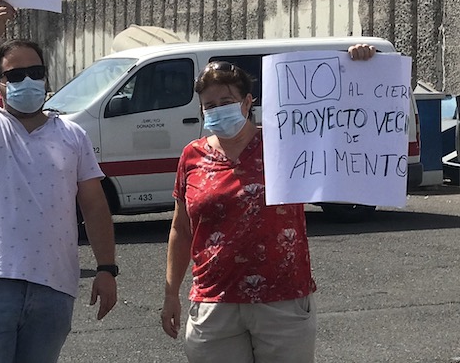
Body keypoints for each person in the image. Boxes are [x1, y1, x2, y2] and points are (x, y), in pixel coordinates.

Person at [161, 45, 377, 363]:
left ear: (248, 102)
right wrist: (170, 294)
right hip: (214, 302)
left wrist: (363, 68)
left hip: (283, 300)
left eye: (227, 102)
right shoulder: (191, 155)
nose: (218, 110)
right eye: (210, 105)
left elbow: (345, 124)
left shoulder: (286, 143)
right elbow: (181, 228)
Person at [0, 0, 118, 363]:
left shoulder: (73, 134)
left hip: (55, 286)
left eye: (36, 72)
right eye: (15, 74)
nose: (28, 80)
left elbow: (94, 205)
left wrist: (107, 268)